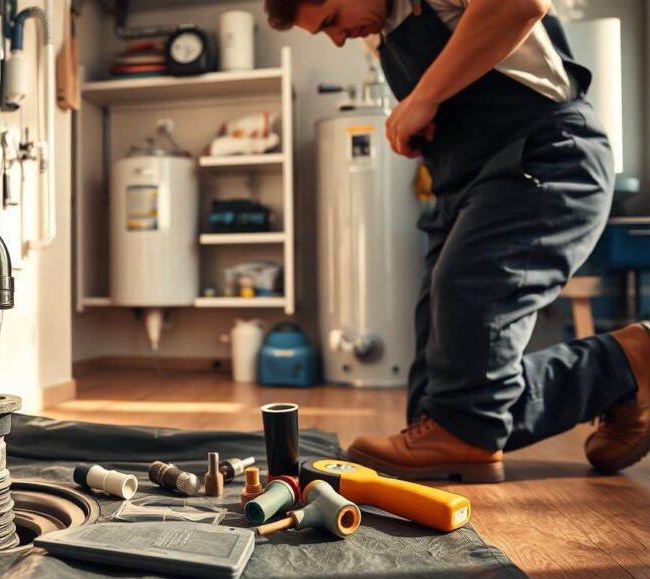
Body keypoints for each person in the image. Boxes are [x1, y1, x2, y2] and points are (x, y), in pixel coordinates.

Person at [264, 0, 649, 482]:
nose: (337, 39)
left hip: (544, 158)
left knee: (467, 302)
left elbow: (522, 4)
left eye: (329, 22)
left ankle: (476, 427)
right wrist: (428, 111)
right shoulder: (381, 32)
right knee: (435, 408)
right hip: (465, 189)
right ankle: (626, 367)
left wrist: (425, 95)